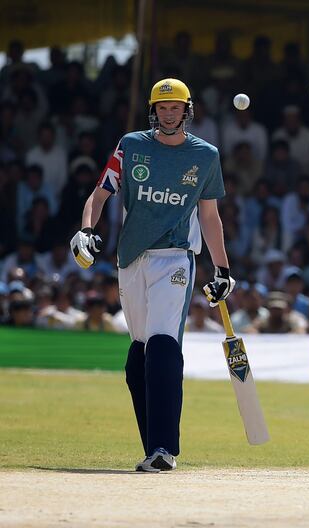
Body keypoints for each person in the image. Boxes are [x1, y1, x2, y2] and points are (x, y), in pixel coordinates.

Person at [69, 78, 233, 473]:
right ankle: (153, 450)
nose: (169, 113)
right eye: (162, 108)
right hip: (131, 259)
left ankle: (164, 448)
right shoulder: (131, 145)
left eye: (175, 107)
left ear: (187, 110)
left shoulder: (205, 155)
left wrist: (222, 268)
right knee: (138, 357)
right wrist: (86, 229)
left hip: (176, 259)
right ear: (153, 111)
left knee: (162, 345)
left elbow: (209, 216)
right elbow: (100, 193)